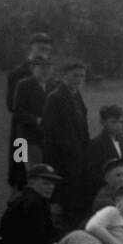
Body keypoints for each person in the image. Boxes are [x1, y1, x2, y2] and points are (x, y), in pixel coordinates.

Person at [41, 59, 90, 227]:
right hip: (61, 156)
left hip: (77, 154)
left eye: (82, 76)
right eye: (75, 75)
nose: (79, 79)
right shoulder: (55, 98)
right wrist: (68, 150)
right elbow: (50, 130)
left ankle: (71, 223)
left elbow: (82, 125)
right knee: (60, 193)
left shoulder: (76, 96)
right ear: (64, 76)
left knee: (74, 191)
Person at [5, 33, 53, 190]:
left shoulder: (48, 73)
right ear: (30, 48)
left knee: (41, 167)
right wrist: (35, 119)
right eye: (40, 48)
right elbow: (12, 106)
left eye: (46, 49)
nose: (42, 52)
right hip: (22, 129)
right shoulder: (18, 73)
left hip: (43, 131)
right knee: (21, 165)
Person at [0, 164, 62, 244]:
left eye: (52, 184)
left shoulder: (30, 197)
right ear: (31, 182)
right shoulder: (34, 201)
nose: (51, 187)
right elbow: (37, 235)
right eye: (46, 183)